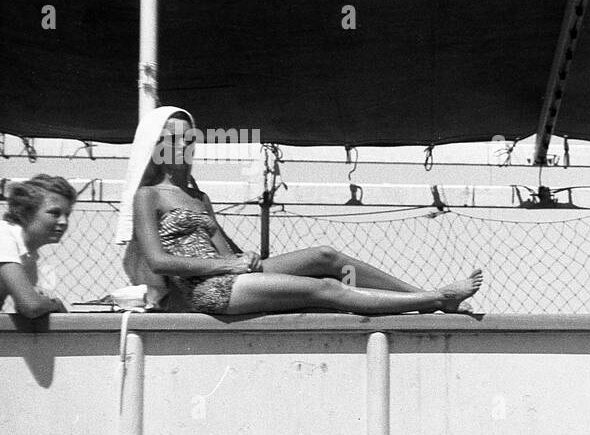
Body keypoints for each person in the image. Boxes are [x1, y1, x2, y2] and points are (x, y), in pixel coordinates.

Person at [115, 107, 483, 316]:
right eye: (175, 138)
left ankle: (423, 295)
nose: (185, 145)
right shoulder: (148, 196)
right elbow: (159, 261)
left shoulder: (199, 198)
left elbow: (228, 257)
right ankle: (435, 299)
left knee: (325, 256)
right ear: (157, 145)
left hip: (229, 275)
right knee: (325, 289)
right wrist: (226, 265)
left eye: (191, 138)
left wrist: (241, 259)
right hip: (207, 290)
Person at [1, 174, 75, 318]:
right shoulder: (3, 236)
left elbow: (27, 310)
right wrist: (55, 303)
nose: (64, 222)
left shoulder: (28, 258)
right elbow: (31, 306)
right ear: (26, 212)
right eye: (55, 213)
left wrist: (44, 302)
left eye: (67, 215)